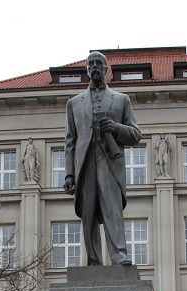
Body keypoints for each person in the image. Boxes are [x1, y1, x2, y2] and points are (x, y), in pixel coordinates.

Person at [62, 50, 143, 267]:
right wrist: (69, 174)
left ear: (106, 69)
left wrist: (116, 128)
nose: (95, 66)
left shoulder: (121, 100)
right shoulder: (74, 103)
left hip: (109, 162)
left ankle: (119, 255)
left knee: (112, 210)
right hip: (85, 164)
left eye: (99, 63)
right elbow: (70, 141)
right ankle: (93, 259)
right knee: (88, 214)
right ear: (87, 70)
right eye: (91, 64)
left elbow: (136, 134)